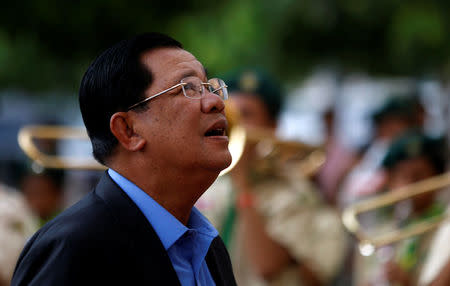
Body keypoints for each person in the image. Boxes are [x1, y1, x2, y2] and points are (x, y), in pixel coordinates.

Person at [11, 32, 237, 286]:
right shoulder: (73, 249)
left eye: (209, 87)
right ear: (128, 130)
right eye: (187, 88)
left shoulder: (209, 244)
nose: (216, 101)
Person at [198, 68, 347, 286]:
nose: (231, 123)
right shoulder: (212, 183)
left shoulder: (294, 192)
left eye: (246, 115)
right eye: (229, 113)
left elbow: (267, 267)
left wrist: (243, 185)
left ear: (272, 127)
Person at [353, 132, 447, 285]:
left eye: (419, 177)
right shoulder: (381, 232)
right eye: (403, 177)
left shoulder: (445, 226)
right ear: (390, 182)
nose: (410, 186)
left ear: (437, 176)